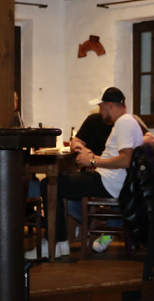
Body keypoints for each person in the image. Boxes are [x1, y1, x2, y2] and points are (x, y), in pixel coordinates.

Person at [31, 86, 143, 258]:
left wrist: (91, 161)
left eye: (101, 107)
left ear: (109, 105)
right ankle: (61, 242)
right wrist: (92, 157)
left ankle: (54, 243)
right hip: (110, 179)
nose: (100, 112)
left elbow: (125, 160)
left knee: (49, 184)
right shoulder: (129, 121)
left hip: (109, 182)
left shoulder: (124, 123)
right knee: (58, 182)